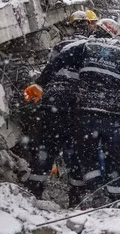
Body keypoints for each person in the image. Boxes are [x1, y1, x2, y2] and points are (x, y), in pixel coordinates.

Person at [26, 25, 120, 207]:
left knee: (86, 156)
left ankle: (94, 195)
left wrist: (40, 84)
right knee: (112, 160)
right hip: (112, 114)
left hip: (83, 112)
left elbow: (61, 60)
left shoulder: (88, 45)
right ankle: (116, 201)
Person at [20, 11, 92, 199]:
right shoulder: (90, 47)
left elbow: (49, 69)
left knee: (47, 144)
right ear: (89, 26)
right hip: (76, 101)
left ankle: (35, 188)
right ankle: (76, 193)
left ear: (71, 26)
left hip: (52, 99)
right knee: (75, 149)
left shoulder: (60, 45)